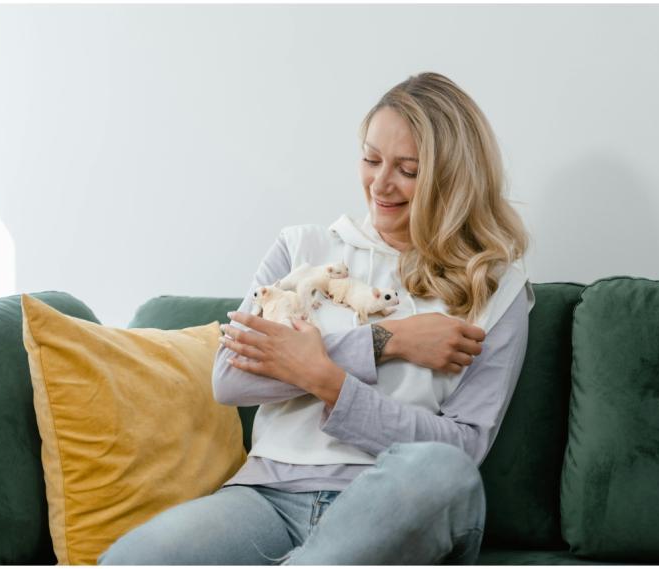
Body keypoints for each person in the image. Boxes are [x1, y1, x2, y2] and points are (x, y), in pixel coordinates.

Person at [98, 71, 535, 565]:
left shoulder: (496, 288)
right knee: (130, 561)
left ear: (452, 177)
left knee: (441, 469)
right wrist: (384, 340)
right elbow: (230, 378)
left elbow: (464, 448)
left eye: (408, 170)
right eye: (371, 160)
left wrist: (329, 383)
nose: (381, 184)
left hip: (389, 506)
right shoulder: (302, 248)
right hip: (267, 499)